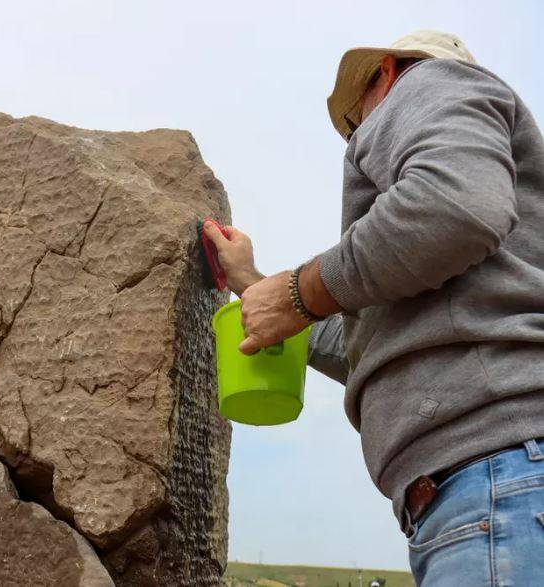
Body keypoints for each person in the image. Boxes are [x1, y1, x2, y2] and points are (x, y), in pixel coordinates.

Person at [204, 30, 544, 585]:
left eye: (356, 123)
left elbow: (453, 205)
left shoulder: (428, 80)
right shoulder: (471, 270)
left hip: (497, 478)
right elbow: (369, 344)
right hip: (492, 486)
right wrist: (255, 286)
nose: (359, 141)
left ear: (384, 73)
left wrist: (298, 293)